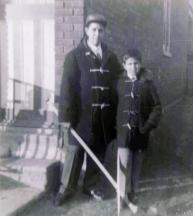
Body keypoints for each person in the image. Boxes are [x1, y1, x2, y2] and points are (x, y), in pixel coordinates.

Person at [54, 14, 122, 206]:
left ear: (104, 32)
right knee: (74, 152)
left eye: (100, 30)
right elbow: (67, 88)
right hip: (80, 117)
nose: (97, 34)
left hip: (102, 117)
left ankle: (91, 185)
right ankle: (66, 188)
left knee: (98, 151)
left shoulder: (110, 57)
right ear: (86, 30)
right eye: (93, 30)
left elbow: (119, 80)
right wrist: (66, 117)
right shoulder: (74, 56)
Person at [117, 49, 162, 205]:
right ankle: (122, 194)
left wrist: (147, 125)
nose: (133, 67)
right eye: (129, 63)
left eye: (136, 63)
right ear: (124, 65)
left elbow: (157, 107)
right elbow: (112, 105)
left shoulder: (147, 85)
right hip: (123, 133)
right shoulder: (119, 83)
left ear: (140, 64)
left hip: (140, 132)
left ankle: (133, 192)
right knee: (123, 164)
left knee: (136, 165)